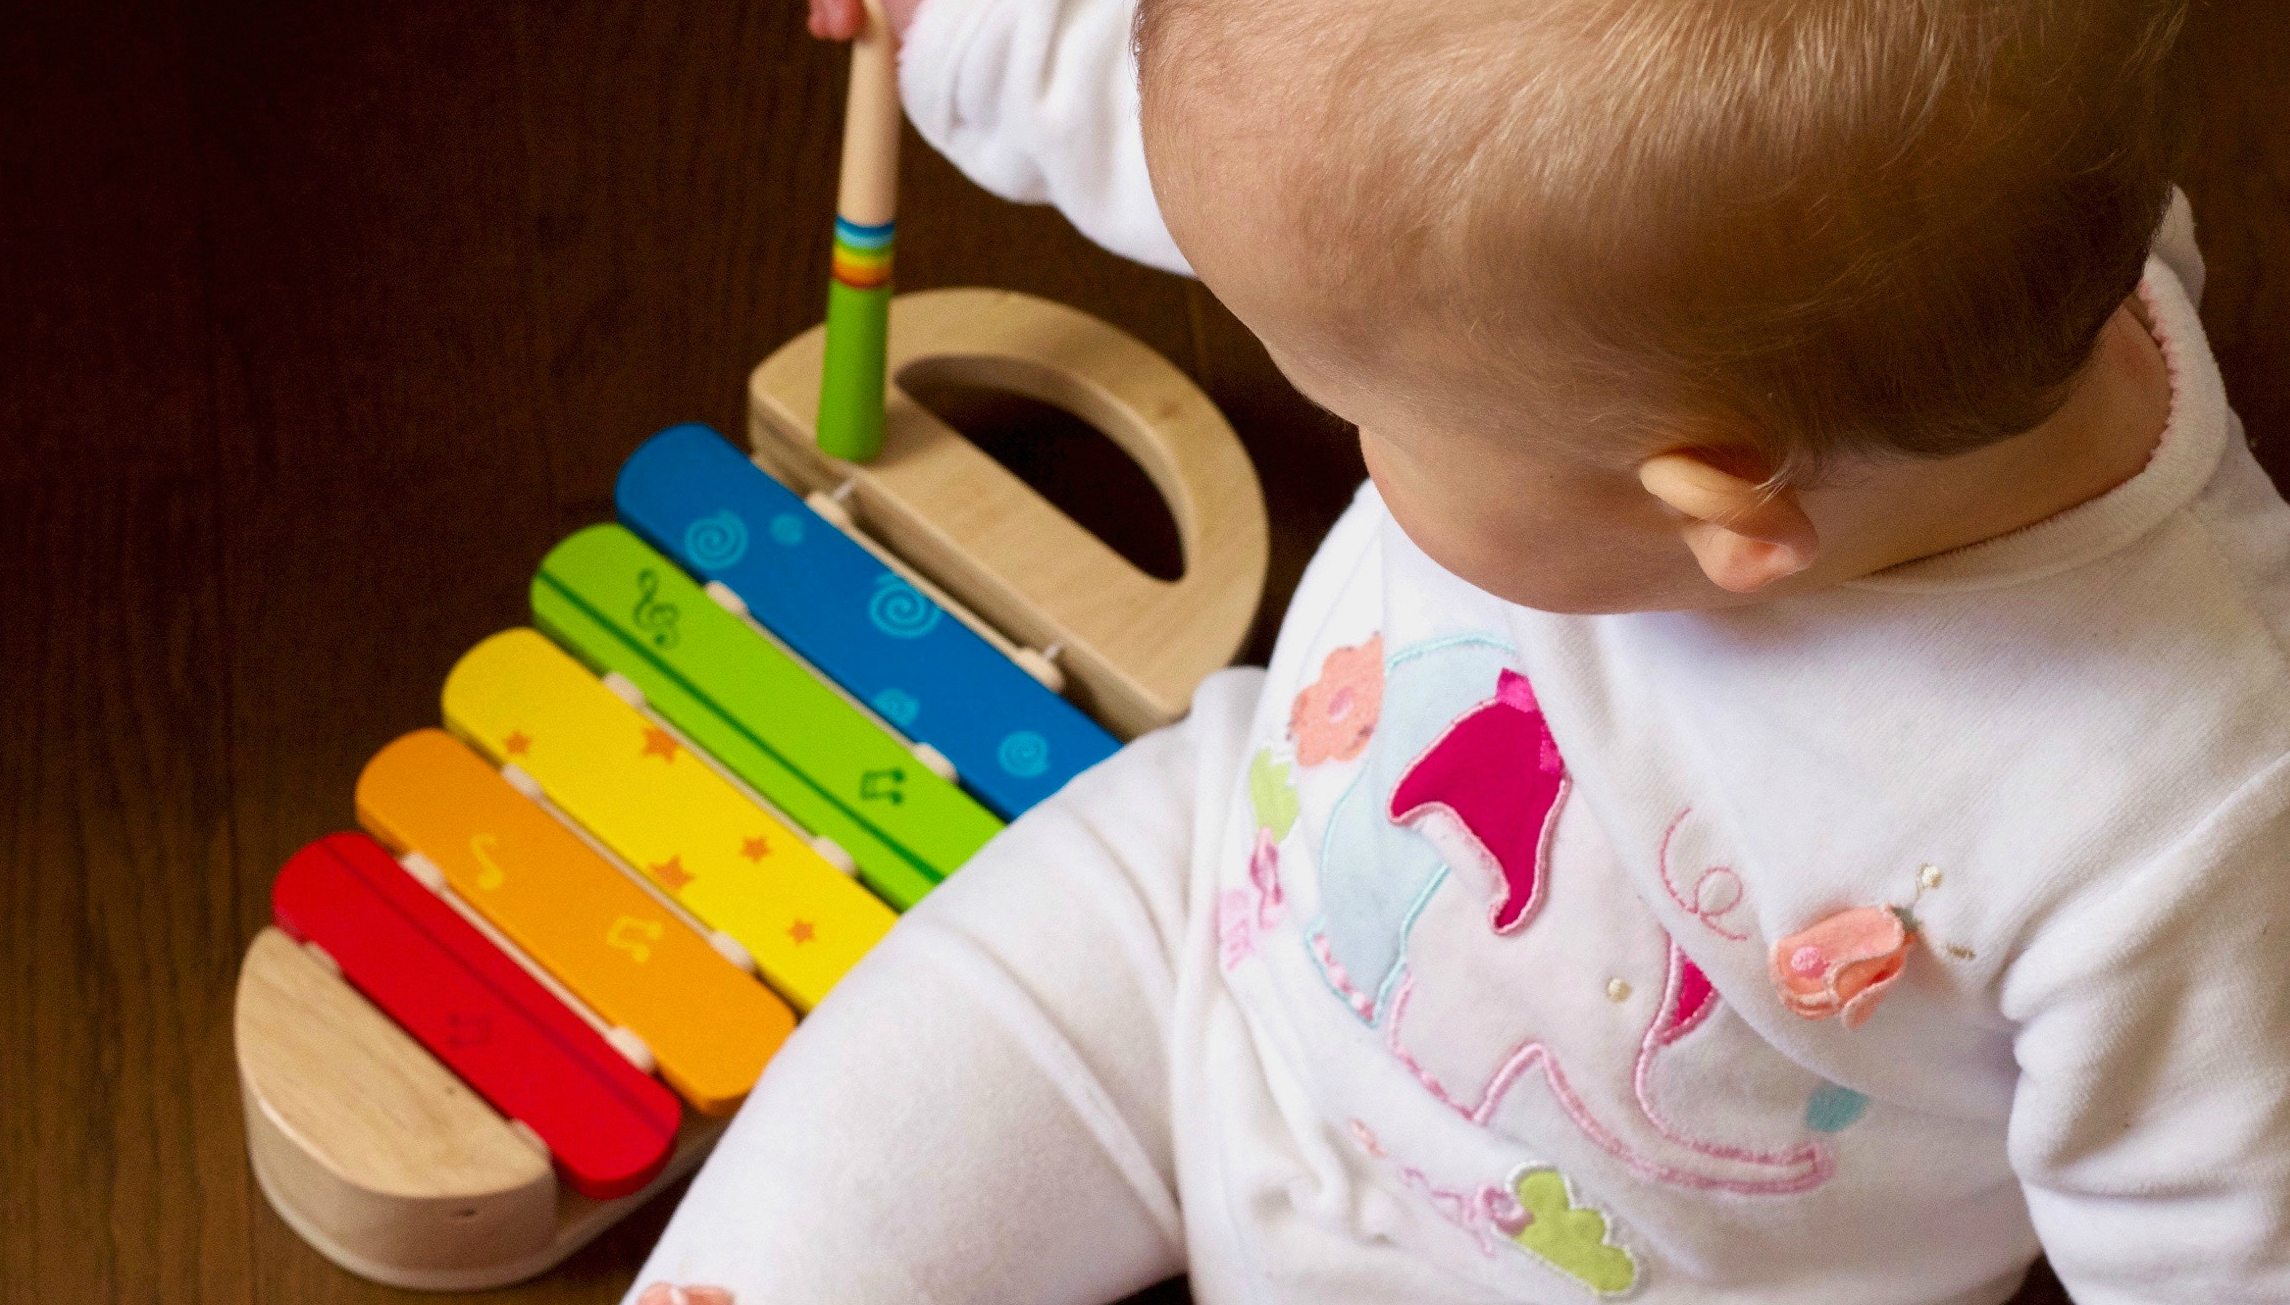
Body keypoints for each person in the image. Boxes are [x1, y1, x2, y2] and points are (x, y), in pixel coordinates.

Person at [635, 1, 2290, 1300]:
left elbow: (2217, 1233)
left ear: (1711, 503)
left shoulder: (2182, 816)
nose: (1345, 427)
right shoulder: (1903, 256)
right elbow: (1291, 144)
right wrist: (980, 30)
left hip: (1622, 1273)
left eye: (1364, 411)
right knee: (865, 1150)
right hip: (1217, 927)